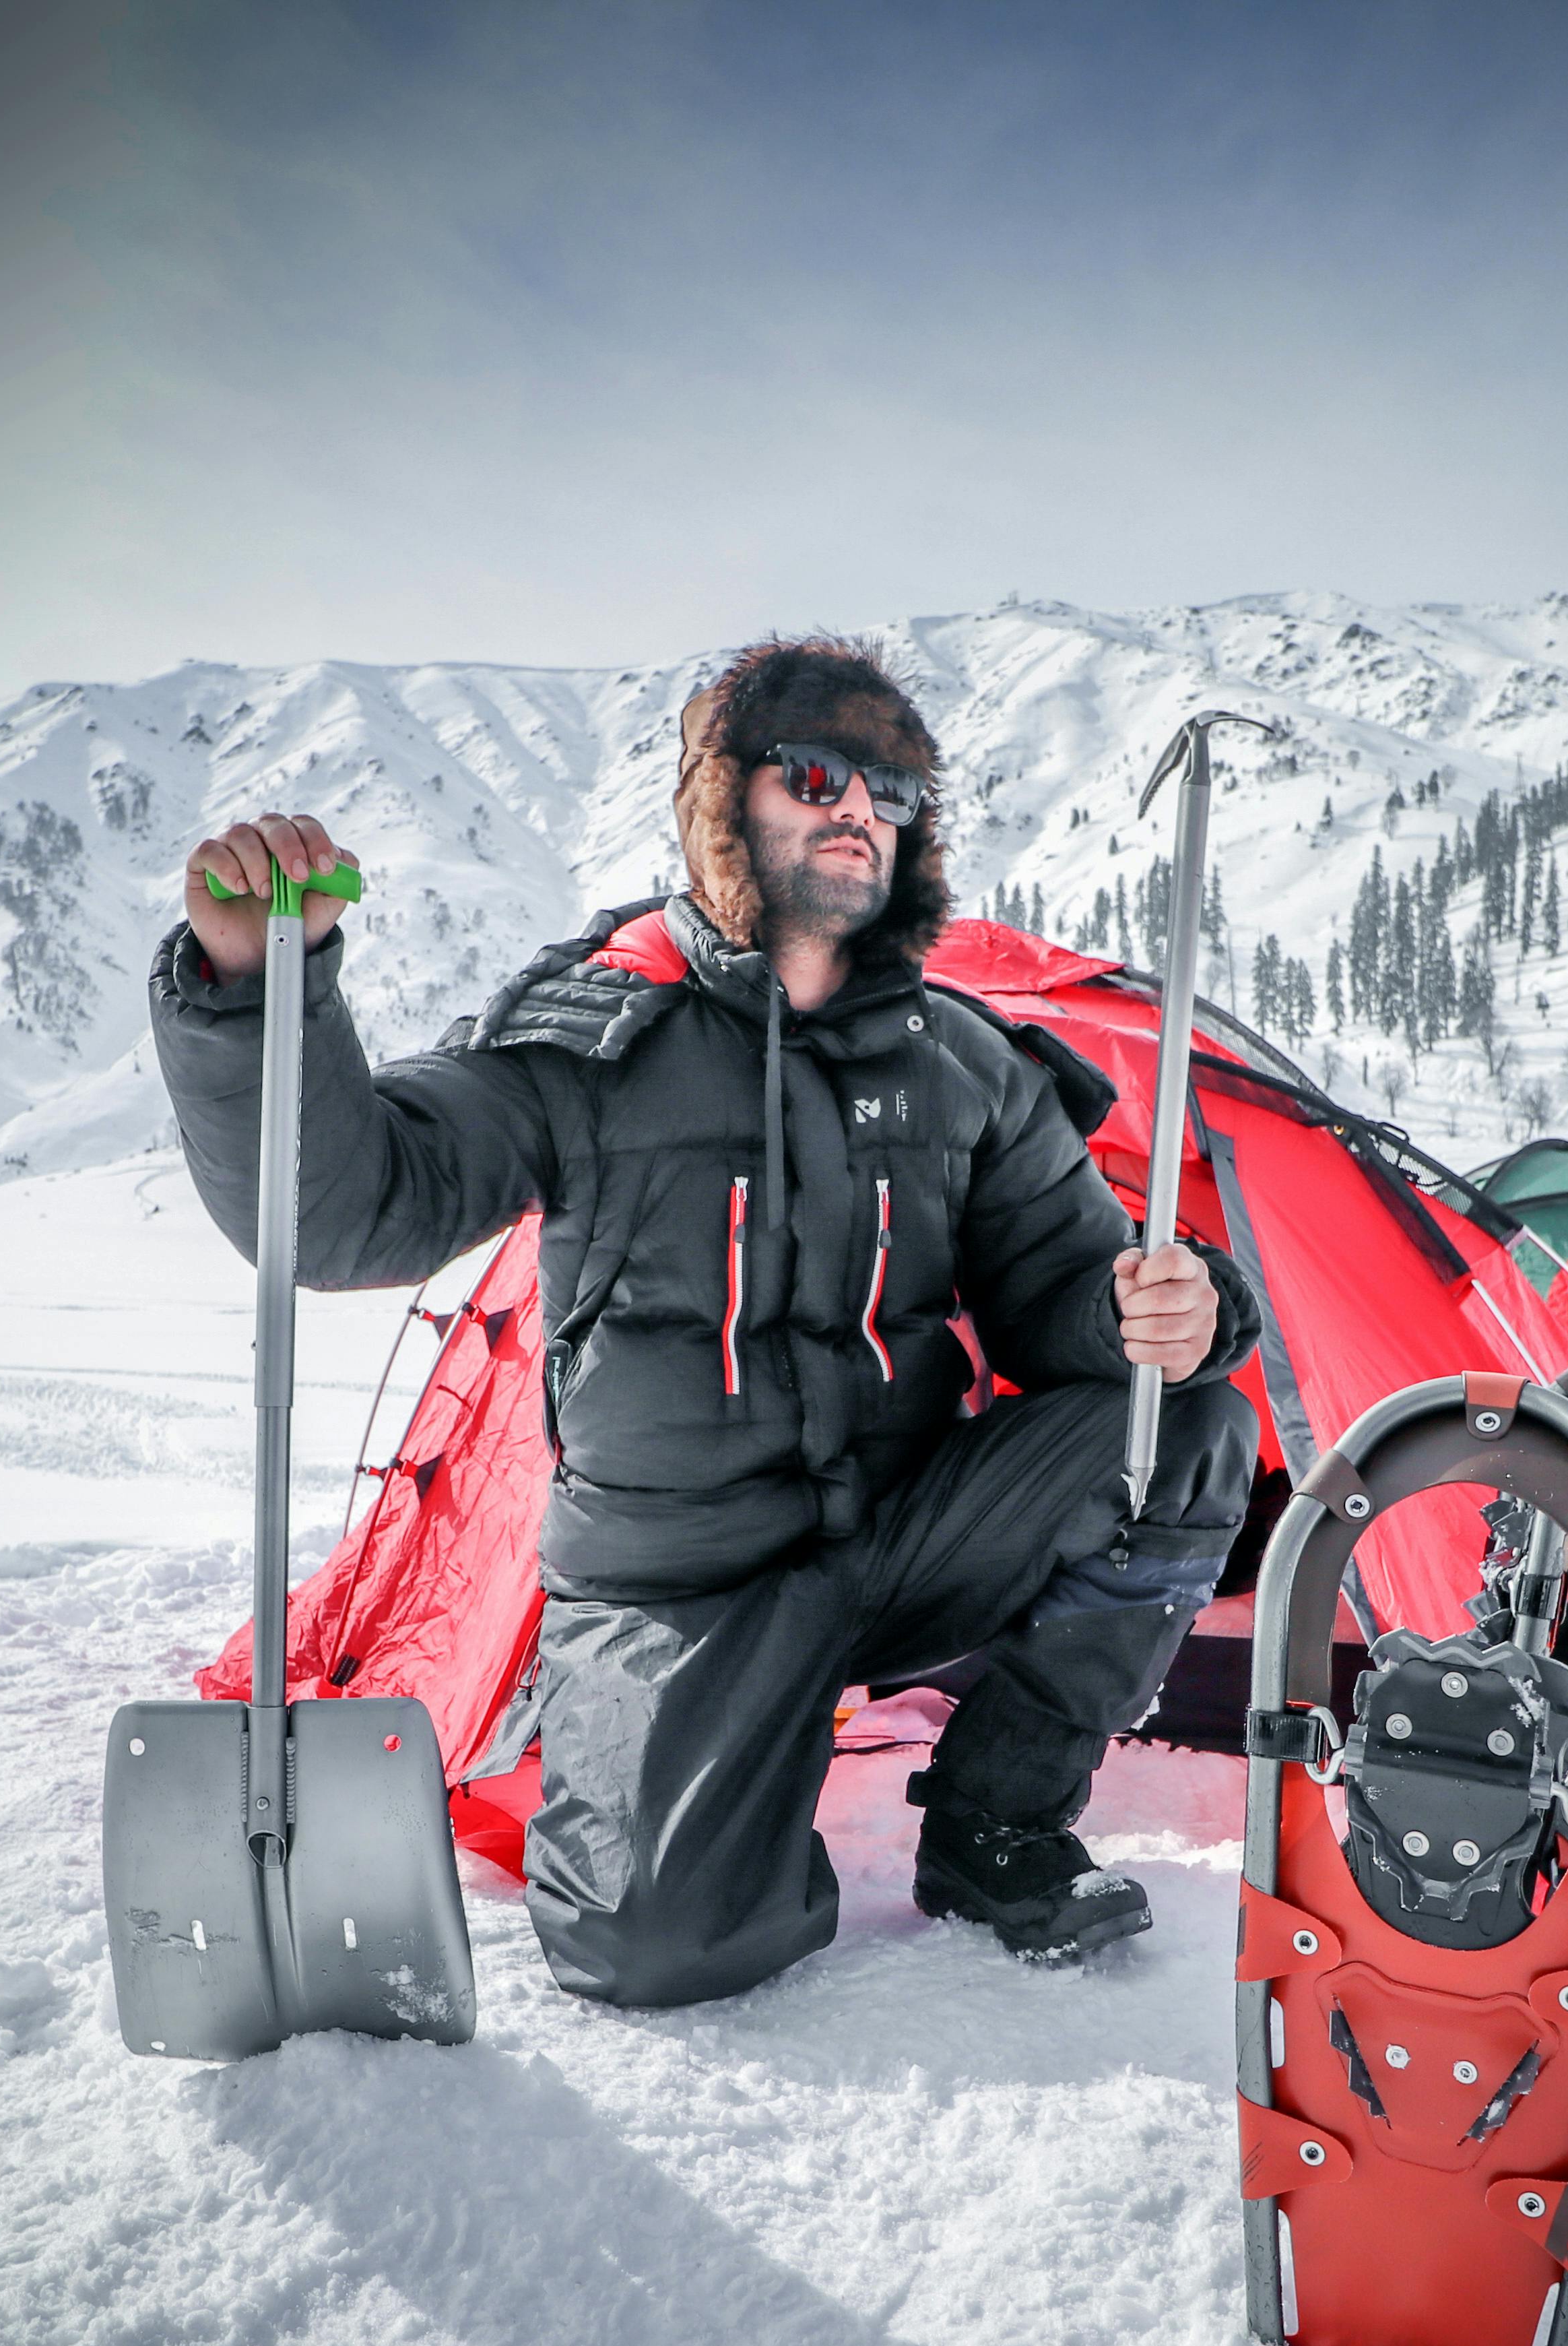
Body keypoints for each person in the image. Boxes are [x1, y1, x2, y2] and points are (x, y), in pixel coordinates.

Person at [152, 637, 1261, 2006]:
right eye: (818, 774)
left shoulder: (962, 1060)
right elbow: (344, 1212)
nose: (860, 808)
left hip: (900, 1537)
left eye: (895, 791)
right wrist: (258, 989)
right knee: (653, 1945)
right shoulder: (592, 1038)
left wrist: (1166, 1306)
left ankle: (997, 1822)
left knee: (1183, 1424)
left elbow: (1060, 1303)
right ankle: (720, 1772)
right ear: (723, 802)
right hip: (679, 1582)